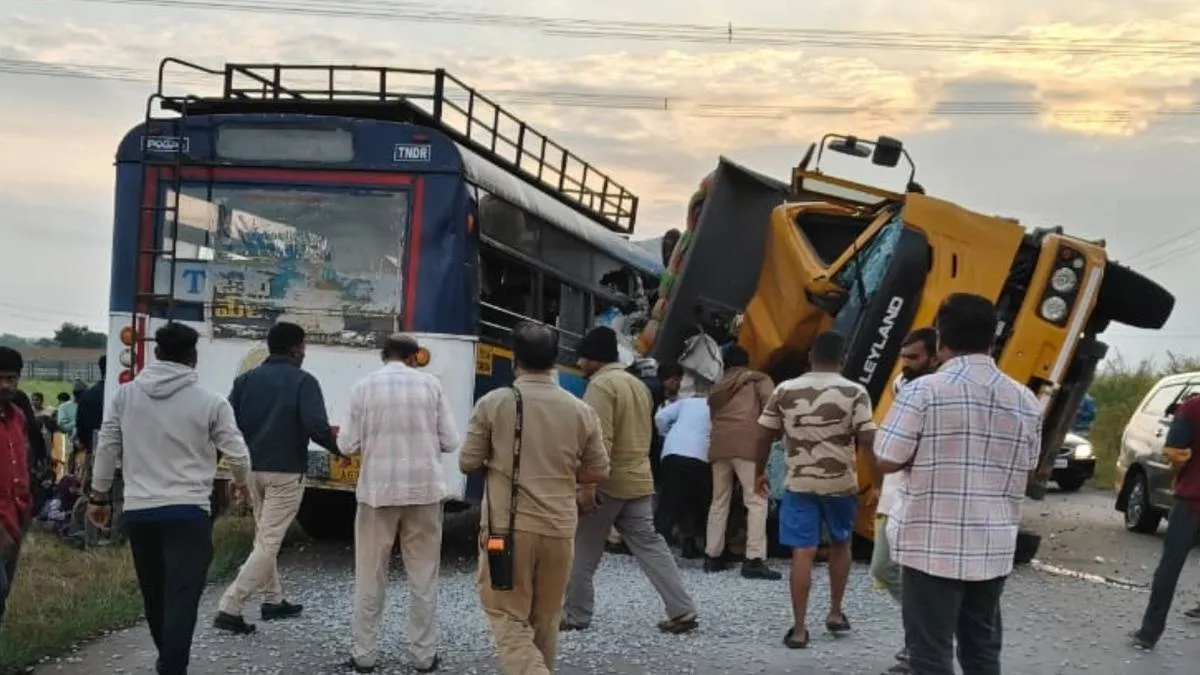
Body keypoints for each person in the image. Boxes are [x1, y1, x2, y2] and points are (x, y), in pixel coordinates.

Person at [874, 293, 1041, 675]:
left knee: (930, 655)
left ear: (940, 338)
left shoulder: (923, 391)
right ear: (993, 339)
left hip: (930, 546)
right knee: (982, 652)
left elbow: (887, 459)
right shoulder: (1025, 399)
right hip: (993, 547)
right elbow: (1029, 469)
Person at [88, 323, 252, 675]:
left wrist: (98, 496)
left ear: (157, 353)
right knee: (182, 595)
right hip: (188, 513)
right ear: (193, 358)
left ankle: (168, 657)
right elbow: (238, 455)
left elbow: (107, 448)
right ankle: (173, 665)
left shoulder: (125, 397)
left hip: (140, 512)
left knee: (154, 594)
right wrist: (241, 485)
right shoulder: (210, 402)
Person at [461, 323, 609, 674]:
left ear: (515, 358)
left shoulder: (494, 403)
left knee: (505, 614)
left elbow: (467, 461)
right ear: (555, 360)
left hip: (505, 529)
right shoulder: (579, 410)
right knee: (546, 618)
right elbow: (599, 470)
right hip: (558, 528)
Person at [562, 326, 698, 634]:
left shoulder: (601, 386)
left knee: (582, 548)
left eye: (583, 357)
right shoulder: (636, 384)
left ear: (595, 358)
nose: (580, 363)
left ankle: (576, 614)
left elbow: (600, 440)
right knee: (651, 546)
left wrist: (588, 485)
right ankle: (682, 609)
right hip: (638, 479)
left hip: (608, 483)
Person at [339, 334, 460, 674]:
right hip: (424, 492)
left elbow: (348, 444)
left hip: (377, 493)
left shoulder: (363, 387)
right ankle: (423, 657)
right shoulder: (431, 387)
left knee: (369, 575)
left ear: (383, 355)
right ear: (413, 357)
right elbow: (451, 441)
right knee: (423, 576)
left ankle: (365, 655)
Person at [215, 321, 341, 635]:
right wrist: (341, 448)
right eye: (304, 347)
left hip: (252, 468)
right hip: (286, 471)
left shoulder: (244, 381)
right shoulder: (304, 381)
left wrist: (234, 467)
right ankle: (231, 604)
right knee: (269, 542)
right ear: (297, 347)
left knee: (263, 537)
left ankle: (273, 599)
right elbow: (315, 426)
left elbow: (229, 427)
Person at [757, 330, 874, 649]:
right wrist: (876, 481)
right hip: (840, 484)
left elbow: (764, 436)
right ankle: (835, 613)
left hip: (799, 484)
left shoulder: (785, 390)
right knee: (841, 543)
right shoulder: (855, 392)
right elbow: (867, 441)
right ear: (843, 358)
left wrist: (759, 472)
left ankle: (798, 630)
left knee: (803, 552)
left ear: (811, 356)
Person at [873, 327, 938, 672]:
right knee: (883, 568)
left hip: (922, 500)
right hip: (895, 494)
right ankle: (926, 635)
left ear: (934, 355)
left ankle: (921, 644)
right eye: (905, 357)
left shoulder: (937, 392)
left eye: (915, 357)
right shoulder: (905, 386)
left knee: (906, 573)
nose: (908, 364)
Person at [1130, 391, 1200, 649]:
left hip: (1192, 501)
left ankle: (1149, 632)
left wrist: (1181, 470)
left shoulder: (1193, 406)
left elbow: (1174, 451)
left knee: (1170, 567)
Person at [704, 344, 780, 580]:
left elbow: (712, 417)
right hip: (748, 445)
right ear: (747, 362)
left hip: (719, 445)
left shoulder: (717, 387)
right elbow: (772, 408)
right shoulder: (758, 380)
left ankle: (712, 556)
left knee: (719, 500)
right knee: (756, 500)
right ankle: (754, 560)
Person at [653, 391, 712, 559]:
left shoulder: (686, 402)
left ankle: (656, 548)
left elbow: (660, 418)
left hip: (673, 452)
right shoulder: (719, 406)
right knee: (696, 502)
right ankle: (691, 542)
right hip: (701, 456)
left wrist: (666, 434)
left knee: (668, 502)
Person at [0, 347, 32, 628]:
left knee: (4, 592)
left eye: (11, 378)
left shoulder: (18, 417)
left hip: (16, 517)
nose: (5, 385)